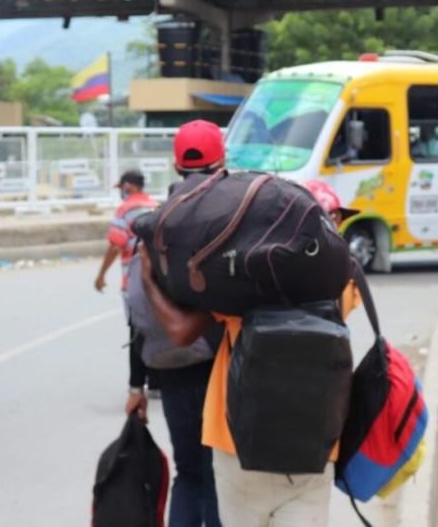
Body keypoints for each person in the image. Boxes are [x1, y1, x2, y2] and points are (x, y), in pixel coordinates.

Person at [139, 180, 361, 527]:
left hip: (235, 443)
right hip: (311, 447)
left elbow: (180, 331)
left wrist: (148, 277)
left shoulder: (244, 288)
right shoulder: (343, 287)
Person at [129, 119, 227, 527]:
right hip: (218, 370)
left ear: (175, 166)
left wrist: (136, 385)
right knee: (218, 477)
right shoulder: (227, 220)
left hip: (169, 372)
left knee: (189, 473)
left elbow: (136, 316)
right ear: (222, 164)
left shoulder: (154, 225)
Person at [95, 170, 160, 406]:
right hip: (157, 281)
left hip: (132, 282)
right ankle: (156, 381)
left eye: (121, 187)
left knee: (137, 331)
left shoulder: (124, 210)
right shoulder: (157, 206)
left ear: (128, 186)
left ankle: (137, 384)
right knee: (156, 327)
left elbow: (115, 245)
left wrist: (101, 275)